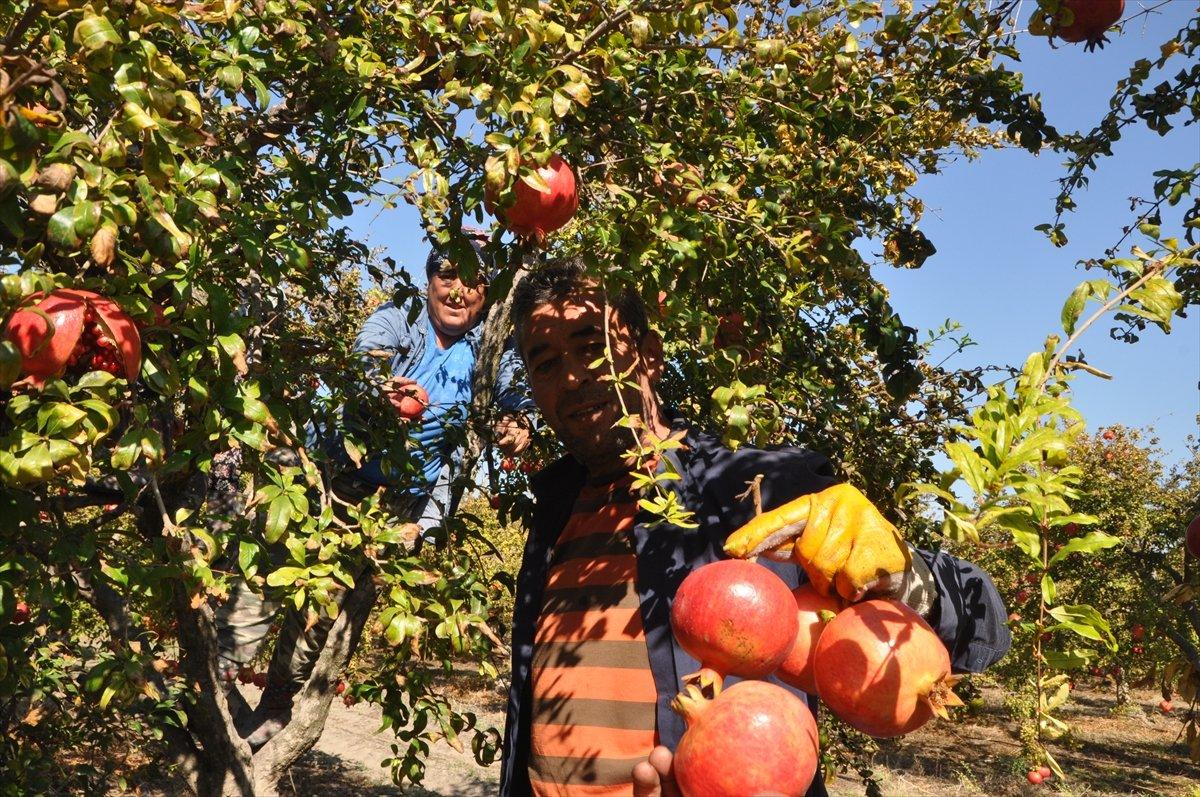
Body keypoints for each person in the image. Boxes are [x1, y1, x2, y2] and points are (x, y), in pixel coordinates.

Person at [498, 260, 1011, 797]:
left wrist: (904, 579)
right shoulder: (554, 505)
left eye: (590, 347)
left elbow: (980, 615)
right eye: (546, 364)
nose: (573, 378)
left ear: (649, 356)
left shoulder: (754, 487)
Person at [216, 229, 532, 748]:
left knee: (321, 603)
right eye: (446, 275)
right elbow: (366, 360)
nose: (456, 291)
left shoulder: (490, 351)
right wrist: (381, 387)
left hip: (394, 501)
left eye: (472, 281)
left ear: (487, 293)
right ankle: (219, 678)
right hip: (325, 475)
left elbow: (517, 400)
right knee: (268, 575)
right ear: (429, 281)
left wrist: (519, 423)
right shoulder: (399, 316)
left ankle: (276, 703)